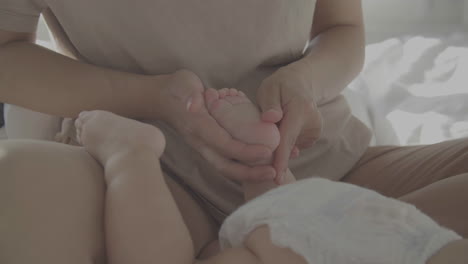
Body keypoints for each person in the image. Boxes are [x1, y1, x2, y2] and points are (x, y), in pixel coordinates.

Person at [0, 0, 467, 263]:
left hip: (327, 169)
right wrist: (153, 98)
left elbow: (340, 26)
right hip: (160, 172)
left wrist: (303, 81)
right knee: (14, 184)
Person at [74, 87, 466, 264]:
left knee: (289, 220)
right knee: (284, 231)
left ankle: (260, 160)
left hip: (412, 240)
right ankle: (131, 155)